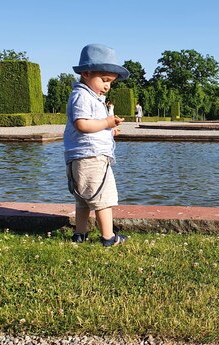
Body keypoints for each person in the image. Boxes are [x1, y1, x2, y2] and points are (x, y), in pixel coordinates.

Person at [63, 43, 130, 247]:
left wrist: (110, 129)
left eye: (110, 82)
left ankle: (80, 234)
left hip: (82, 156)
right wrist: (107, 123)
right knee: (103, 198)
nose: (108, 85)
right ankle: (109, 237)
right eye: (104, 80)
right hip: (91, 157)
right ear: (86, 73)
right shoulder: (82, 96)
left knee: (84, 200)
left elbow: (93, 125)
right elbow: (82, 124)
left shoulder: (91, 96)